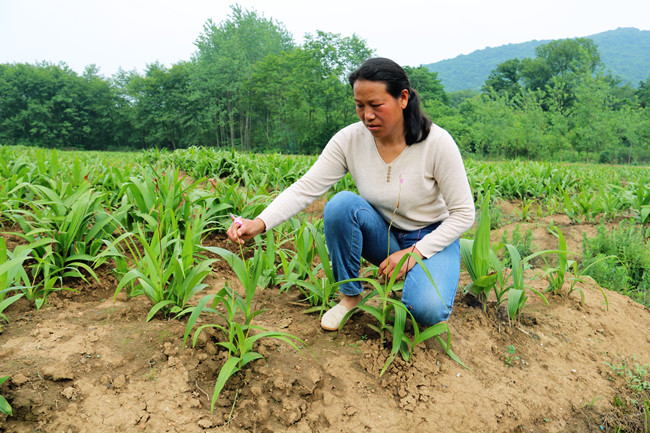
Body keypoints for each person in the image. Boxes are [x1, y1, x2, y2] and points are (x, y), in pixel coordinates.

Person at [226, 57, 475, 331]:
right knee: (340, 205)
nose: (367, 115)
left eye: (376, 105)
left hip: (430, 238)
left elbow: (464, 214)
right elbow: (306, 187)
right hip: (384, 235)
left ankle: (421, 282)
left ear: (403, 98)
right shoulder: (350, 140)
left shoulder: (436, 143)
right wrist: (259, 223)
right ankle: (350, 298)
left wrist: (415, 253)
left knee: (426, 310)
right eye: (360, 105)